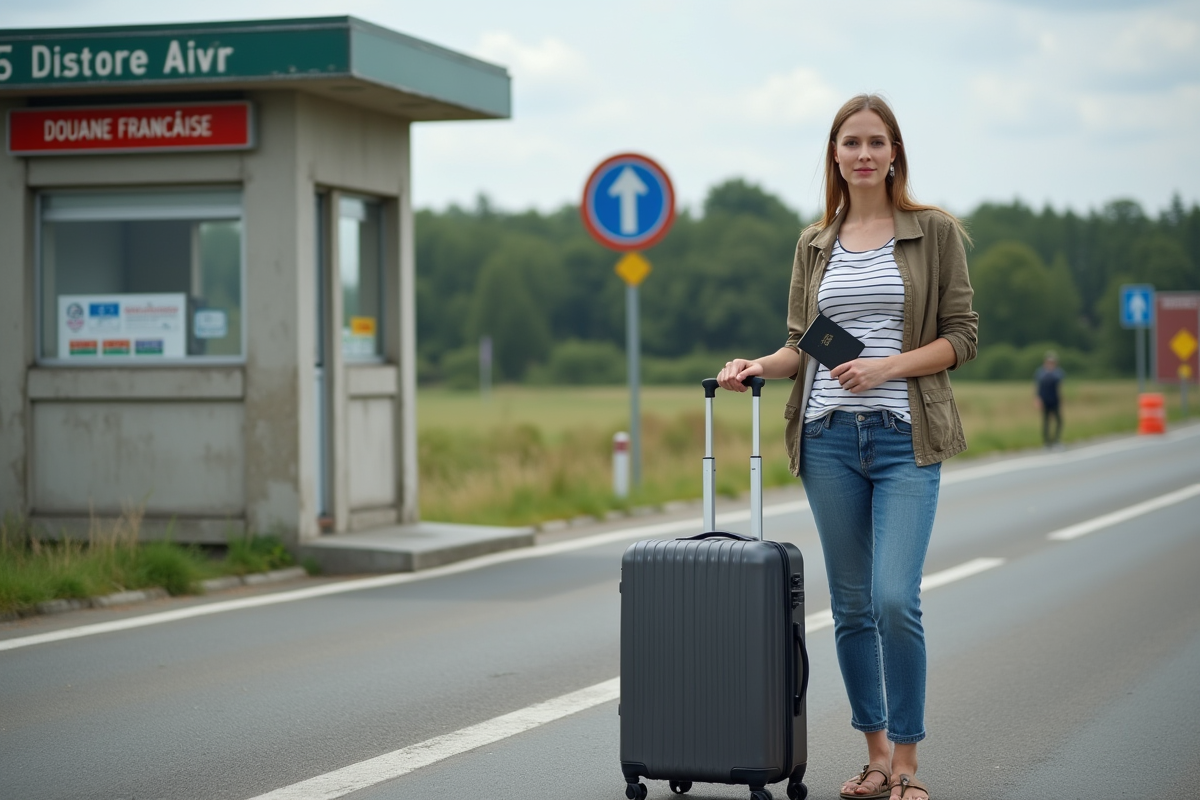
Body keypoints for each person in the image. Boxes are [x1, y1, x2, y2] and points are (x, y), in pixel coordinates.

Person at [716, 94, 977, 800]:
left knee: (896, 600)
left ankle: (912, 766)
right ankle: (876, 756)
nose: (863, 154)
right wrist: (754, 367)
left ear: (895, 154)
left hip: (903, 437)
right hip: (827, 438)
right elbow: (804, 344)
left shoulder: (933, 232)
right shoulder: (815, 243)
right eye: (850, 142)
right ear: (834, 155)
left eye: (876, 142)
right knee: (854, 607)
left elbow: (963, 338)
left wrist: (887, 367)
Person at [1034, 351, 1064, 448]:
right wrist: (1037, 399)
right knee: (1046, 421)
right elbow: (1037, 387)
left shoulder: (1057, 373)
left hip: (1055, 399)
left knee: (1059, 421)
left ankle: (1056, 440)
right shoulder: (1041, 373)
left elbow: (1059, 387)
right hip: (1045, 400)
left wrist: (1061, 400)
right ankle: (1047, 442)